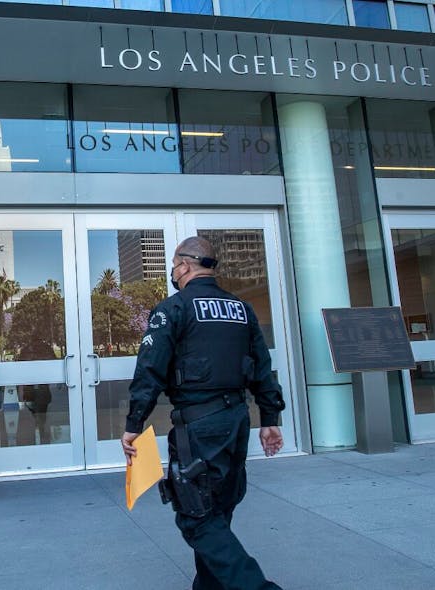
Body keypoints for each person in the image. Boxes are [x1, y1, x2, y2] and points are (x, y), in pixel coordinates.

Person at [122, 236, 286, 590]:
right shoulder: (241, 309)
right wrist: (270, 419)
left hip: (200, 425)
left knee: (196, 516)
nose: (173, 273)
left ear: (183, 265)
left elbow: (149, 369)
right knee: (218, 508)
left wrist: (134, 423)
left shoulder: (173, 308)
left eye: (174, 267)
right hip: (236, 420)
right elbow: (262, 366)